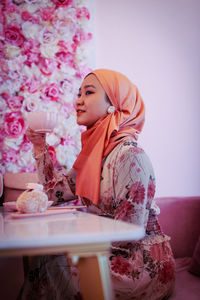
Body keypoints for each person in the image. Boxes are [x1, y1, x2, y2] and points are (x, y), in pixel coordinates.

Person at [19, 69, 175, 300]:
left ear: (115, 103)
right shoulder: (96, 154)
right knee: (43, 258)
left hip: (137, 264)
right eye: (79, 93)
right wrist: (40, 146)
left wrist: (71, 238)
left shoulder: (130, 156)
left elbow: (128, 234)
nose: (79, 100)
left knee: (50, 266)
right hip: (108, 252)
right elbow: (55, 193)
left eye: (89, 92)